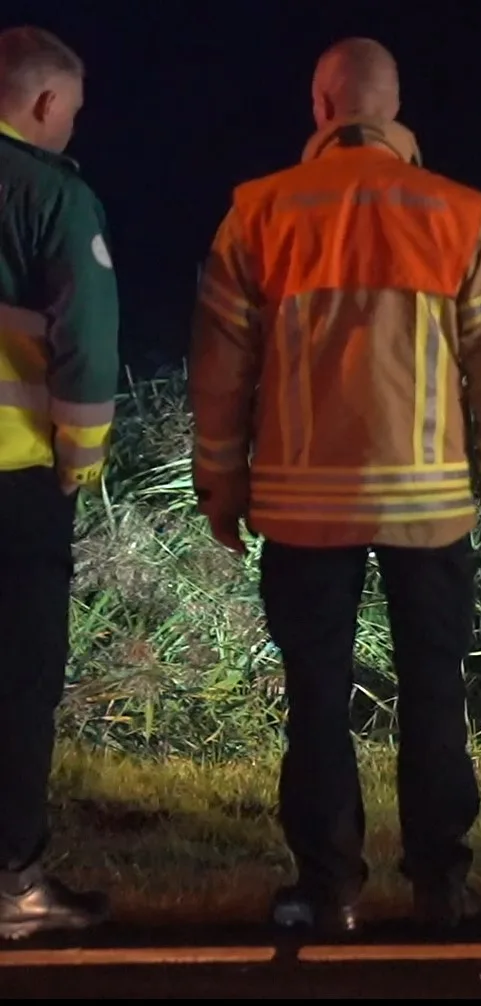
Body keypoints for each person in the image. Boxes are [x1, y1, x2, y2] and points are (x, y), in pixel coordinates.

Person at [186, 38, 481, 935]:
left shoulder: (259, 215)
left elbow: (220, 370)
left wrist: (219, 484)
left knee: (315, 700)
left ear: (321, 107)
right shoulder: (459, 216)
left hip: (301, 507)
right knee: (433, 692)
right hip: (429, 507)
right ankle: (441, 886)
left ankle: (326, 889)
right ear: (392, 109)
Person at [0, 25, 116, 940]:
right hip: (16, 478)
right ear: (44, 102)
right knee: (17, 682)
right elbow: (85, 338)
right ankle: (13, 884)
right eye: (70, 111)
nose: (72, 126)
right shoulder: (52, 194)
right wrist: (81, 457)